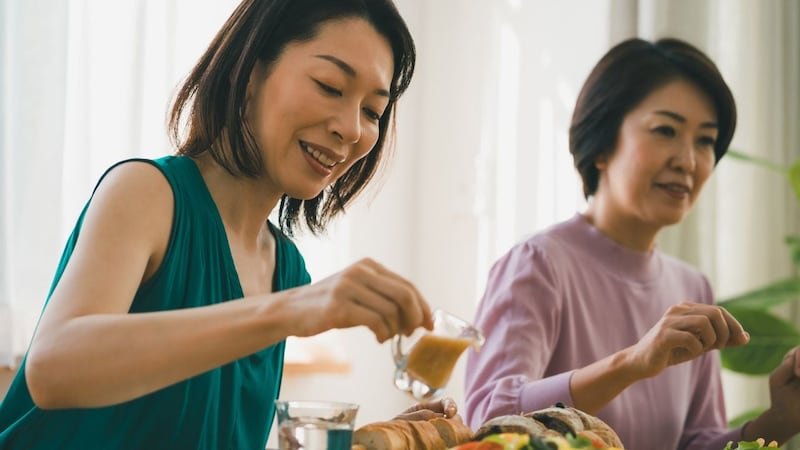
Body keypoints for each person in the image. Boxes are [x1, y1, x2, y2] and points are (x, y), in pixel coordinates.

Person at [0, 0, 458, 448]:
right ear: (252, 71)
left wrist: (368, 441)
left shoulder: (287, 269)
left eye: (373, 112)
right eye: (330, 85)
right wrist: (295, 309)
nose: (352, 130)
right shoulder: (147, 193)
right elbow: (53, 369)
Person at [464, 37, 800, 450]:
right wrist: (632, 363)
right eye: (665, 131)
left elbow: (695, 443)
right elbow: (487, 422)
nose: (688, 161)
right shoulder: (539, 264)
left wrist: (780, 421)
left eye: (706, 140)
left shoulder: (692, 287)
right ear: (603, 143)